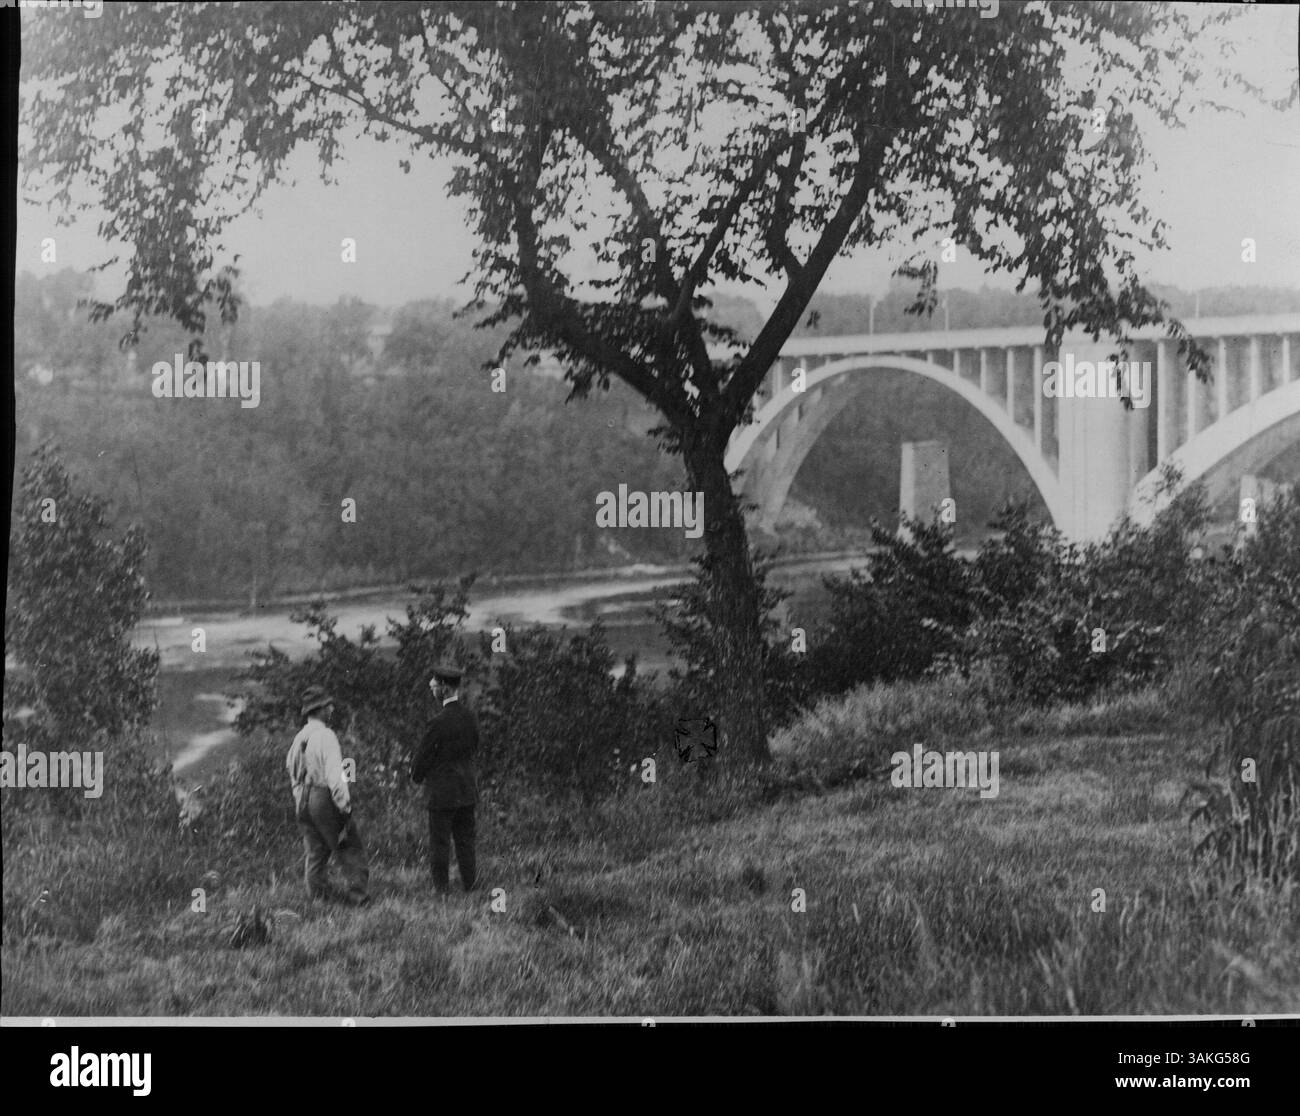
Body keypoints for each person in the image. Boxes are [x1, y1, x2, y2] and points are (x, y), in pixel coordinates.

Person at [286, 685, 370, 906]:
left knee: (315, 851)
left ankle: (318, 898)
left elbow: (292, 770)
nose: (332, 708)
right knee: (349, 846)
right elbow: (335, 775)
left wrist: (300, 798)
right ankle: (358, 897)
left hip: (303, 797)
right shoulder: (326, 736)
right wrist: (345, 806)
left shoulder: (299, 737)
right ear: (320, 709)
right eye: (328, 705)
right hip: (323, 797)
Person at [411, 663, 479, 895]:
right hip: (467, 790)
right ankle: (471, 887)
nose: (432, 688)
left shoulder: (437, 723)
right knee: (466, 843)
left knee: (439, 844)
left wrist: (417, 776)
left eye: (435, 685)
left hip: (442, 794)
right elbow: (474, 748)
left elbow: (422, 758)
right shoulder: (470, 718)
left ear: (445, 688)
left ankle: (442, 891)